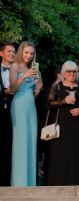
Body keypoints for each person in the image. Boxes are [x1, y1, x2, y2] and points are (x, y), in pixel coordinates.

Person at [46, 61, 79, 185]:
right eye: (69, 71)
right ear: (64, 73)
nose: (72, 74)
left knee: (75, 154)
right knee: (60, 155)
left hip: (76, 127)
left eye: (74, 71)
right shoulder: (57, 86)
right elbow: (48, 104)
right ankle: (58, 183)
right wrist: (63, 101)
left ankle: (76, 183)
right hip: (61, 126)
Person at [9, 41, 42, 186]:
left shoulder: (35, 69)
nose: (29, 55)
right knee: (20, 142)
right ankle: (19, 182)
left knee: (31, 141)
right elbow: (13, 88)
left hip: (31, 105)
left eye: (31, 53)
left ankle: (30, 182)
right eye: (26, 52)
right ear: (21, 52)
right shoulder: (15, 66)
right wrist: (24, 76)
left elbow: (34, 94)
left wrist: (39, 89)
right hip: (19, 105)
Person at [0, 42, 15, 186]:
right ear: (1, 53)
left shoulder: (18, 70)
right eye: (9, 51)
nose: (11, 53)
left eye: (13, 51)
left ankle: (7, 182)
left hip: (13, 110)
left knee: (10, 145)